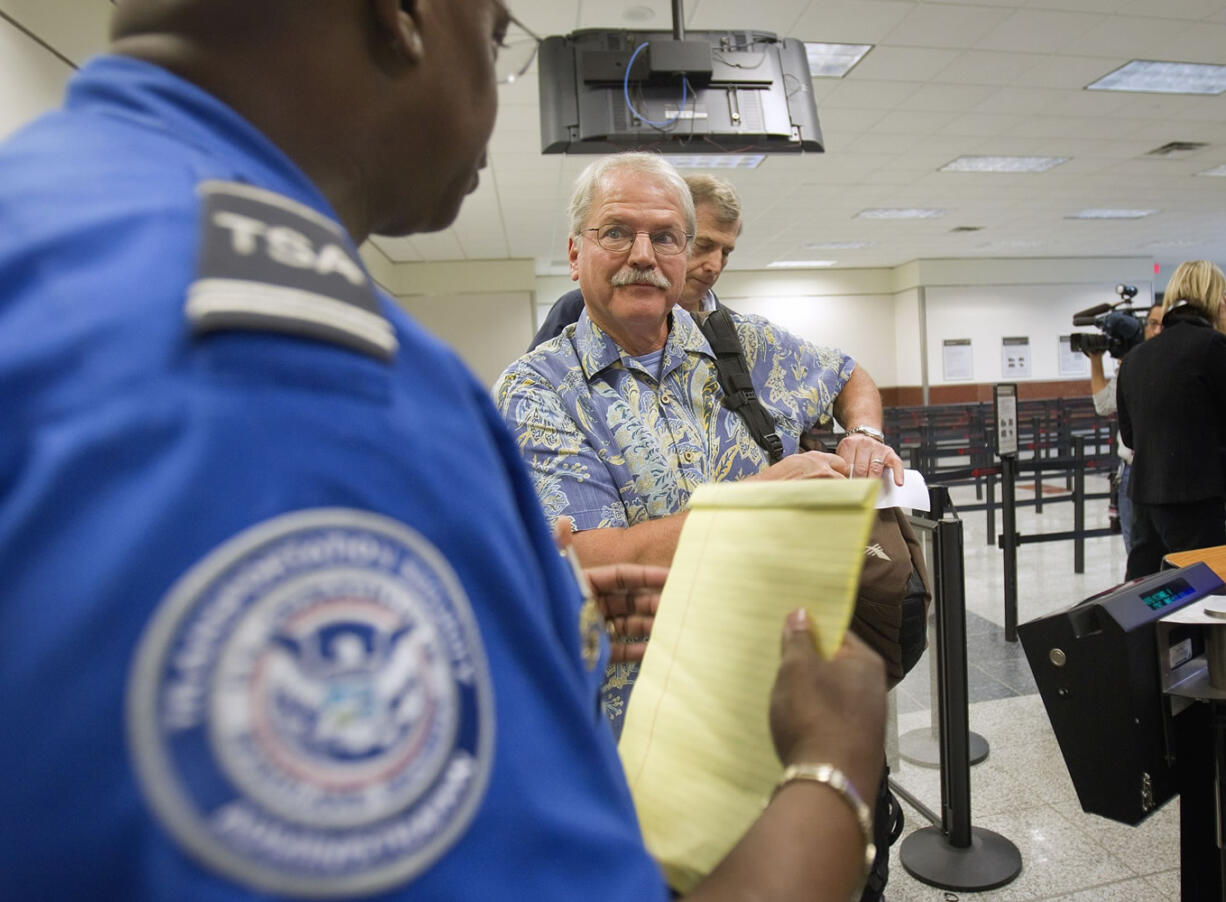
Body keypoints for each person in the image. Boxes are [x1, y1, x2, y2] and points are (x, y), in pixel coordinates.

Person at [0, 1, 889, 900]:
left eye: (670, 238)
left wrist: (541, 623)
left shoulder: (53, 221)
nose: (647, 255)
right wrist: (832, 771)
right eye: (497, 34)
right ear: (404, 17)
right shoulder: (302, 368)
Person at [494, 152, 908, 900]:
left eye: (666, 238)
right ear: (575, 250)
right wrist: (762, 495)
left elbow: (850, 372)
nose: (643, 257)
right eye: (617, 232)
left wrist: (866, 433)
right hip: (652, 752)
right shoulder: (537, 389)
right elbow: (587, 557)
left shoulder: (738, 347)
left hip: (790, 710)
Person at [1118, 262, 1226, 579]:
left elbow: (1130, 437)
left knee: (1146, 595)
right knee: (1205, 596)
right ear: (1215, 298)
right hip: (1198, 500)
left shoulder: (1137, 357)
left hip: (1145, 500)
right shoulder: (1212, 347)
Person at [1086, 302, 1163, 554]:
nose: (1158, 330)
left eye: (1164, 324)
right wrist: (1095, 360)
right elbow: (1104, 404)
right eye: (1153, 324)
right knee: (1137, 551)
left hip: (1167, 469)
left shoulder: (1178, 365)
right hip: (1132, 468)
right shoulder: (1133, 364)